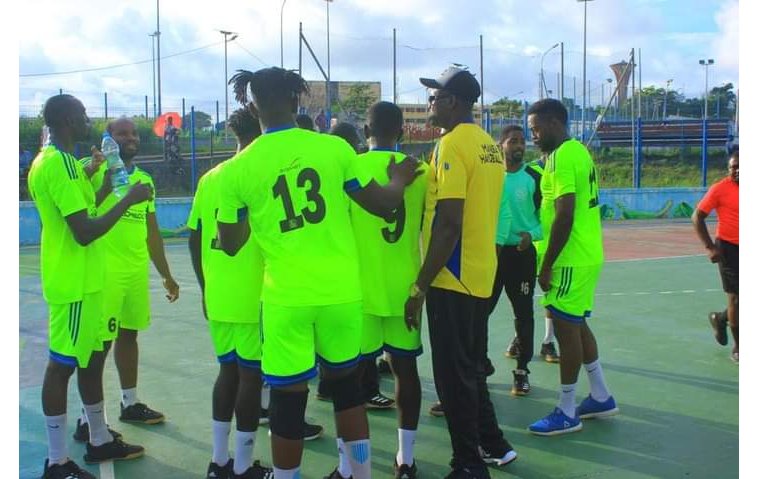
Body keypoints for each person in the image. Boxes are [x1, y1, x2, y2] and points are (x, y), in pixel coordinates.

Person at [216, 67, 420, 478]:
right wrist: (398, 179)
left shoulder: (237, 168)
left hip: (286, 299)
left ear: (253, 107)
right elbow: (384, 205)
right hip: (341, 294)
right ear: (297, 101)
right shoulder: (335, 149)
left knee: (288, 399)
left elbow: (231, 243)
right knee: (347, 390)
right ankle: (359, 474)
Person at [29, 94, 149, 479]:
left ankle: (98, 437)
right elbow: (83, 231)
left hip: (86, 282)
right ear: (67, 119)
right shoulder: (61, 164)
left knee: (91, 359)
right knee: (61, 367)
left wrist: (107, 188)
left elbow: (83, 210)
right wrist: (129, 198)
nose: (87, 121)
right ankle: (57, 461)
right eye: (82, 115)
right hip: (74, 284)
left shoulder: (53, 161)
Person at [404, 66, 517, 478]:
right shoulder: (488, 144)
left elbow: (449, 222)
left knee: (453, 377)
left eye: (434, 96)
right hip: (480, 273)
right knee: (470, 368)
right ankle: (493, 444)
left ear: (452, 101)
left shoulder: (451, 144)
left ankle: (468, 464)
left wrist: (420, 286)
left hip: (452, 277)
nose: (429, 103)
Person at [328, 101, 428, 479]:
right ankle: (406, 459)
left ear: (365, 131)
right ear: (402, 131)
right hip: (405, 289)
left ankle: (348, 466)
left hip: (359, 291)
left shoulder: (351, 169)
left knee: (351, 379)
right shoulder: (421, 171)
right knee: (406, 371)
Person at [74, 117, 179, 442]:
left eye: (134, 133)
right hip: (104, 273)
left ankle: (129, 403)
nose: (131, 138)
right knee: (98, 347)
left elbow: (152, 232)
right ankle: (87, 419)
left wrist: (166, 275)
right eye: (122, 134)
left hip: (135, 272)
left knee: (129, 335)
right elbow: (80, 213)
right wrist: (100, 178)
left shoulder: (144, 180)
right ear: (108, 139)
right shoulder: (91, 169)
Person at [188, 107, 274, 478]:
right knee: (251, 377)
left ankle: (219, 460)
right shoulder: (259, 172)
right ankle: (242, 465)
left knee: (228, 372)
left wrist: (204, 288)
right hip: (254, 292)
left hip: (219, 293)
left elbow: (195, 237)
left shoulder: (210, 178)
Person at [525, 99, 618, 437]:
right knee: (576, 326)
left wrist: (547, 264)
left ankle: (567, 411)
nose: (533, 136)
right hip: (585, 254)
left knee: (566, 331)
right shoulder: (578, 151)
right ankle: (600, 396)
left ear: (554, 123)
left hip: (569, 259)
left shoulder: (562, 157)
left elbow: (564, 214)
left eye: (536, 129)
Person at [317, 121, 395, 412]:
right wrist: (397, 182)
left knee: (337, 335)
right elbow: (383, 205)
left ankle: (327, 386)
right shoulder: (350, 172)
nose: (358, 148)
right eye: (353, 143)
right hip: (353, 266)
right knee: (361, 337)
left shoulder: (329, 172)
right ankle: (367, 390)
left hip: (331, 265)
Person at [487, 125, 543, 396]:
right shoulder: (491, 176)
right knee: (481, 312)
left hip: (521, 256)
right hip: (492, 255)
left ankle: (522, 371)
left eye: (522, 141)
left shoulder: (534, 177)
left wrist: (531, 235)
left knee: (523, 313)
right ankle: (479, 365)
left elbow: (546, 218)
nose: (519, 146)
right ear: (501, 145)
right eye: (513, 141)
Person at [692, 147, 739, 363]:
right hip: (728, 248)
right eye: (733, 167)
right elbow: (697, 217)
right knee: (736, 298)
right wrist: (710, 247)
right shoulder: (720, 189)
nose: (737, 171)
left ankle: (720, 319)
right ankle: (739, 347)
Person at [524, 154, 561, 363]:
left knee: (551, 295)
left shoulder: (562, 170)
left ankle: (548, 341)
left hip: (551, 245)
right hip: (531, 244)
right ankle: (519, 339)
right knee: (522, 296)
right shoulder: (529, 172)